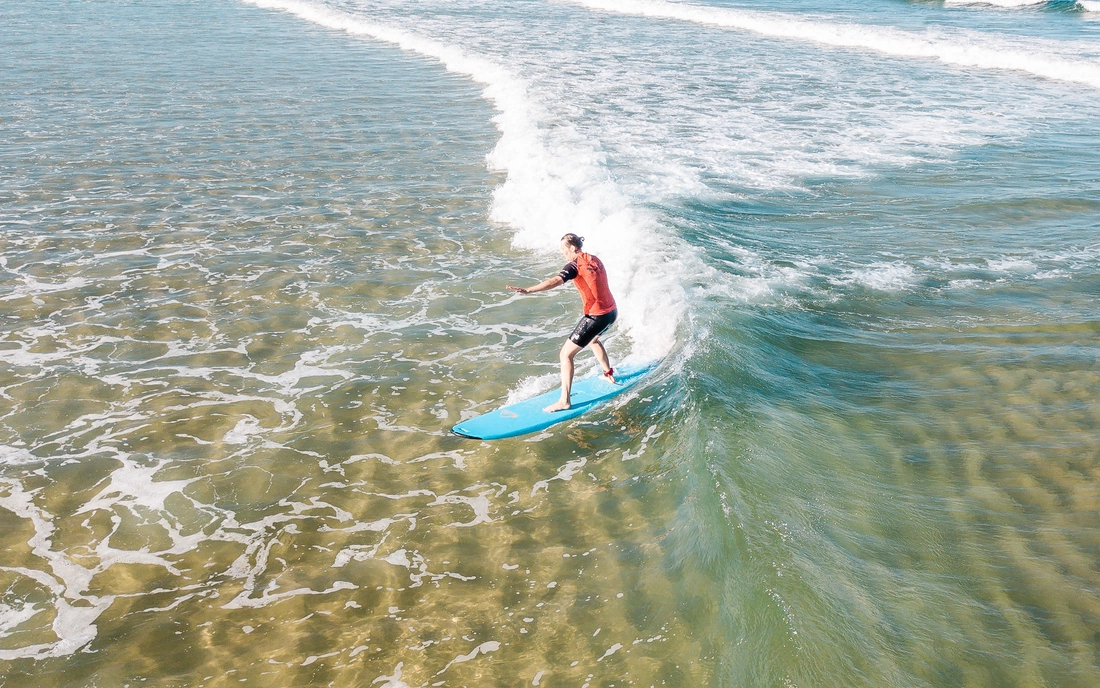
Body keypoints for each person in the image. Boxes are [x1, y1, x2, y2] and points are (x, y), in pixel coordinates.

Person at [507, 233, 618, 412]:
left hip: (596, 317)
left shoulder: (575, 265)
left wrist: (528, 290)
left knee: (565, 356)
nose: (562, 254)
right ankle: (608, 374)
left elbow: (554, 282)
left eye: (563, 250)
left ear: (573, 248)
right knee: (593, 340)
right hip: (612, 312)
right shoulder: (594, 259)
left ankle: (564, 401)